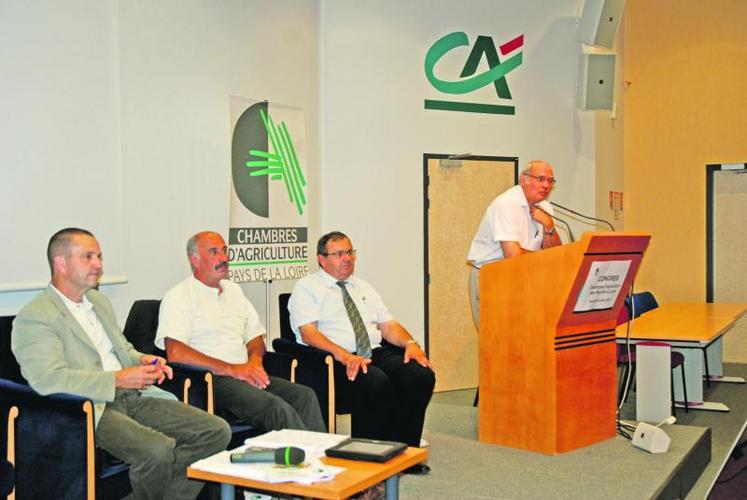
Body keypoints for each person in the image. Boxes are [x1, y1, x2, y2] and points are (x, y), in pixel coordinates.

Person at [11, 228, 231, 500]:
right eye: (88, 257)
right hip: (91, 407)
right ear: (61, 263)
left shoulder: (99, 302)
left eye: (99, 256)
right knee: (157, 450)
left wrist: (146, 359)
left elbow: (123, 349)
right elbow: (47, 380)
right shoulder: (35, 316)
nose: (98, 264)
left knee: (215, 431)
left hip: (134, 396)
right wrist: (116, 379)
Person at [288, 231, 435, 473]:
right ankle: (368, 457)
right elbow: (308, 334)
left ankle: (404, 452)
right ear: (321, 259)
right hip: (334, 360)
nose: (347, 258)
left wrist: (410, 342)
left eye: (349, 252)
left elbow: (387, 325)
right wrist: (343, 355)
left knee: (420, 375)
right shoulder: (307, 288)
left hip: (373, 352)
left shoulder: (361, 286)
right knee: (376, 382)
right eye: (338, 254)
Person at [156, 231, 325, 434]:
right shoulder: (179, 296)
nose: (223, 258)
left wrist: (254, 362)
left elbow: (255, 338)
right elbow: (176, 353)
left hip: (246, 372)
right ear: (194, 259)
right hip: (212, 380)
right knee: (277, 409)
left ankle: (322, 460)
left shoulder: (233, 290)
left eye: (225, 251)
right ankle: (306, 462)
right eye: (214, 252)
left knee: (304, 396)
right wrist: (233, 370)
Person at [467, 160, 561, 327]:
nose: (546, 185)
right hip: (492, 278)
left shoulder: (545, 207)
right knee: (496, 342)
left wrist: (549, 225)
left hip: (525, 277)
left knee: (521, 339)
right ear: (524, 179)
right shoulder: (506, 204)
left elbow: (556, 252)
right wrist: (545, 258)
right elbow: (513, 255)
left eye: (550, 181)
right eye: (540, 178)